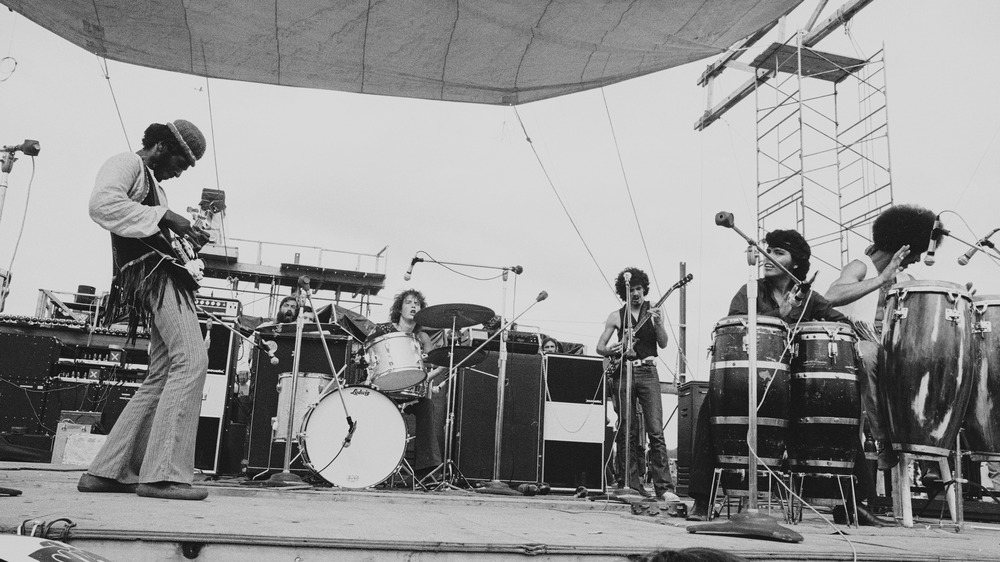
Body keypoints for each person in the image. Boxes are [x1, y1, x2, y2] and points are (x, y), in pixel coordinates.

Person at [688, 229, 891, 525]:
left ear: (796, 263)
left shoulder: (809, 298)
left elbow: (841, 323)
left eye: (778, 252)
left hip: (797, 386)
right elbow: (738, 331)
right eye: (768, 250)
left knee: (838, 414)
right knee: (710, 410)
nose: (768, 256)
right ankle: (703, 499)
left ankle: (852, 503)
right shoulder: (750, 291)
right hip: (757, 386)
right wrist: (780, 317)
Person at [79, 120, 210, 501]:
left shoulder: (156, 189)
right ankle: (163, 475)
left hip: (157, 275)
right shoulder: (127, 164)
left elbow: (145, 227)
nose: (178, 172)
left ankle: (110, 471)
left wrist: (181, 239)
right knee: (192, 359)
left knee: (165, 369)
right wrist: (168, 219)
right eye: (180, 163)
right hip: (153, 276)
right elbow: (101, 204)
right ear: (160, 146)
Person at [824, 204, 939, 486]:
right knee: (867, 352)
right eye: (915, 253)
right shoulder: (859, 266)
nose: (915, 260)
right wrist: (880, 280)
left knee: (932, 359)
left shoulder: (907, 280)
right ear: (903, 247)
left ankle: (930, 454)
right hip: (857, 351)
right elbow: (830, 296)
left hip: (895, 358)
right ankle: (883, 441)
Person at [596, 267, 676, 500]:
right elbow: (600, 347)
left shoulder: (654, 311)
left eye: (640, 289)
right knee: (626, 428)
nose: (636, 294)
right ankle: (629, 482)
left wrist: (659, 324)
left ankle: (664, 488)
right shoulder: (615, 316)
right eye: (632, 290)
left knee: (656, 428)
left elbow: (663, 344)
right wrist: (614, 348)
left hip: (648, 371)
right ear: (625, 292)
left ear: (644, 289)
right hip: (623, 371)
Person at [367, 289, 448, 480]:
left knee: (427, 406)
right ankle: (373, 466)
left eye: (417, 304)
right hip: (384, 389)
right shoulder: (383, 330)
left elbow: (436, 366)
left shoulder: (423, 337)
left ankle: (426, 472)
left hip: (411, 392)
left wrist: (430, 375)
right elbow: (367, 357)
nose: (413, 306)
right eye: (409, 302)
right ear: (399, 308)